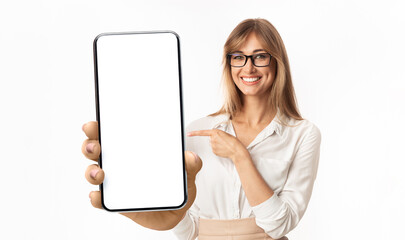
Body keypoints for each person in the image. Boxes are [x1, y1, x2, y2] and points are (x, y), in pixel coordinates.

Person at [82, 18, 321, 240]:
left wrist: (240, 155)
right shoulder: (197, 131)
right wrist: (149, 209)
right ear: (229, 63)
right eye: (238, 56)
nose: (248, 68)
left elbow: (280, 223)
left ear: (277, 61)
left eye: (260, 56)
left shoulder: (302, 134)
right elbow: (190, 229)